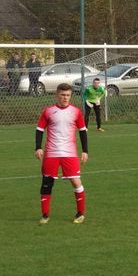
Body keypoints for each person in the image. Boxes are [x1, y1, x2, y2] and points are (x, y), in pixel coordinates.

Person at [35, 84, 89, 225]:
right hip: (51, 153)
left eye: (67, 95)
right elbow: (39, 129)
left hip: (69, 154)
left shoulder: (76, 112)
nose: (65, 98)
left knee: (76, 181)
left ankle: (80, 213)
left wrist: (85, 151)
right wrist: (38, 147)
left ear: (70, 96)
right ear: (57, 95)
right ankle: (45, 215)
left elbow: (83, 131)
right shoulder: (48, 111)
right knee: (47, 183)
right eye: (62, 95)